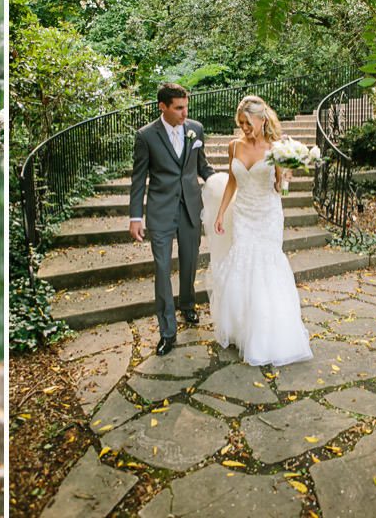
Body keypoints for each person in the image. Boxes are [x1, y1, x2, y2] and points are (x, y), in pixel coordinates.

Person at [203, 95, 313, 367]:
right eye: (240, 123)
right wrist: (220, 213)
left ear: (262, 120)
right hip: (243, 213)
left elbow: (280, 190)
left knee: (267, 266)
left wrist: (286, 177)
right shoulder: (234, 146)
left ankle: (269, 334)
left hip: (267, 214)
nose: (244, 128)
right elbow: (232, 181)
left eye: (248, 122)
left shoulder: (276, 149)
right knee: (242, 264)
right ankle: (244, 329)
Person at [129, 84, 215, 356]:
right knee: (162, 270)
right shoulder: (146, 136)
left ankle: (188, 307)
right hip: (161, 211)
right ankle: (167, 332)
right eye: (178, 107)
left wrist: (222, 184)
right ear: (162, 107)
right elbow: (138, 178)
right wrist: (135, 216)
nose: (184, 112)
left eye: (185, 106)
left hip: (191, 207)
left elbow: (202, 167)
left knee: (190, 262)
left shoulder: (196, 129)